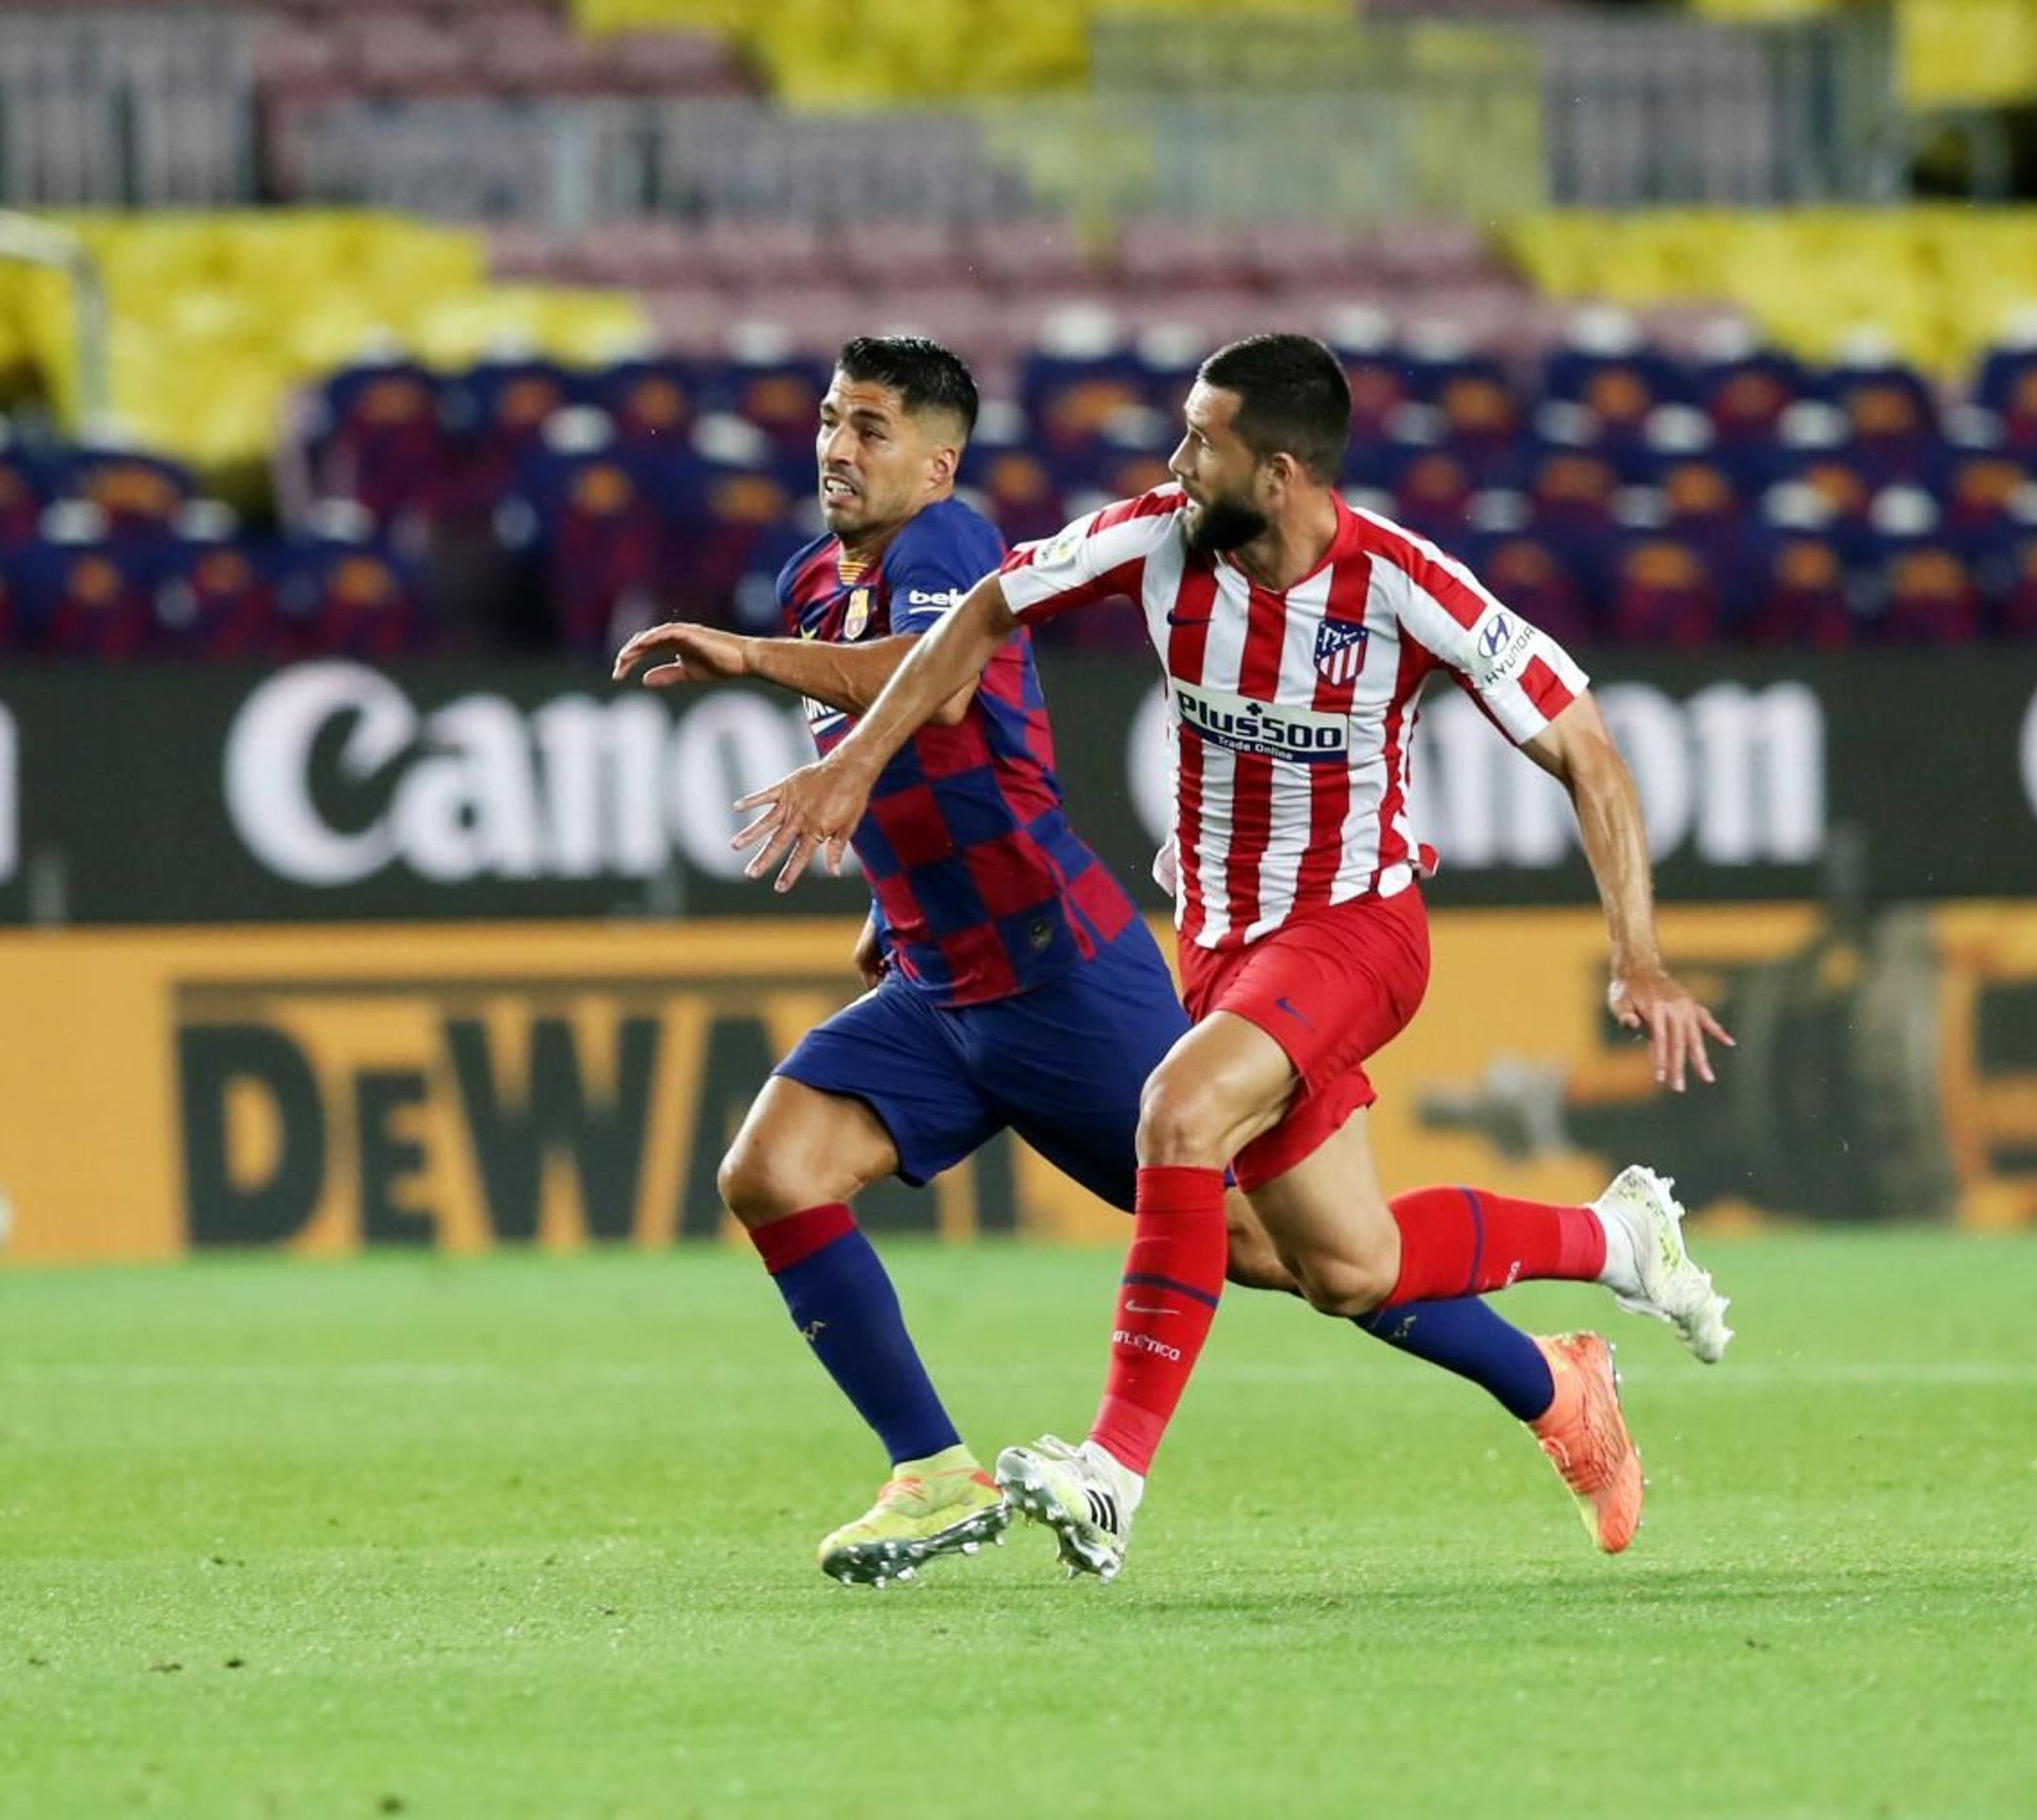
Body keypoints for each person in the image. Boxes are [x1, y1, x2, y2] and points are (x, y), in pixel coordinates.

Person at [728, 332, 1737, 1582]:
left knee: (1180, 1111)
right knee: (1335, 1262)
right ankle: (1606, 1259)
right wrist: (869, 806)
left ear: (1274, 472)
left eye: (1197, 439)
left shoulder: (1404, 585)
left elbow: (1586, 748)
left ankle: (1109, 1470)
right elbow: (987, 617)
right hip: (1211, 941)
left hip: (1353, 927)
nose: (1171, 458)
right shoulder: (1155, 535)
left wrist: (1635, 954)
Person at [612, 334, 1188, 1585]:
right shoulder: (813, 577)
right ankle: (929, 1471)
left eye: (867, 427)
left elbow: (928, 693)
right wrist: (891, 900)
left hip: (1057, 973)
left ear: (936, 463)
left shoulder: (952, 543)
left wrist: (746, 655)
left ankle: (1557, 1345)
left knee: (1282, 1246)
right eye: (828, 417)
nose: (833, 445)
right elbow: (919, 768)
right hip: (936, 979)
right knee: (770, 1169)